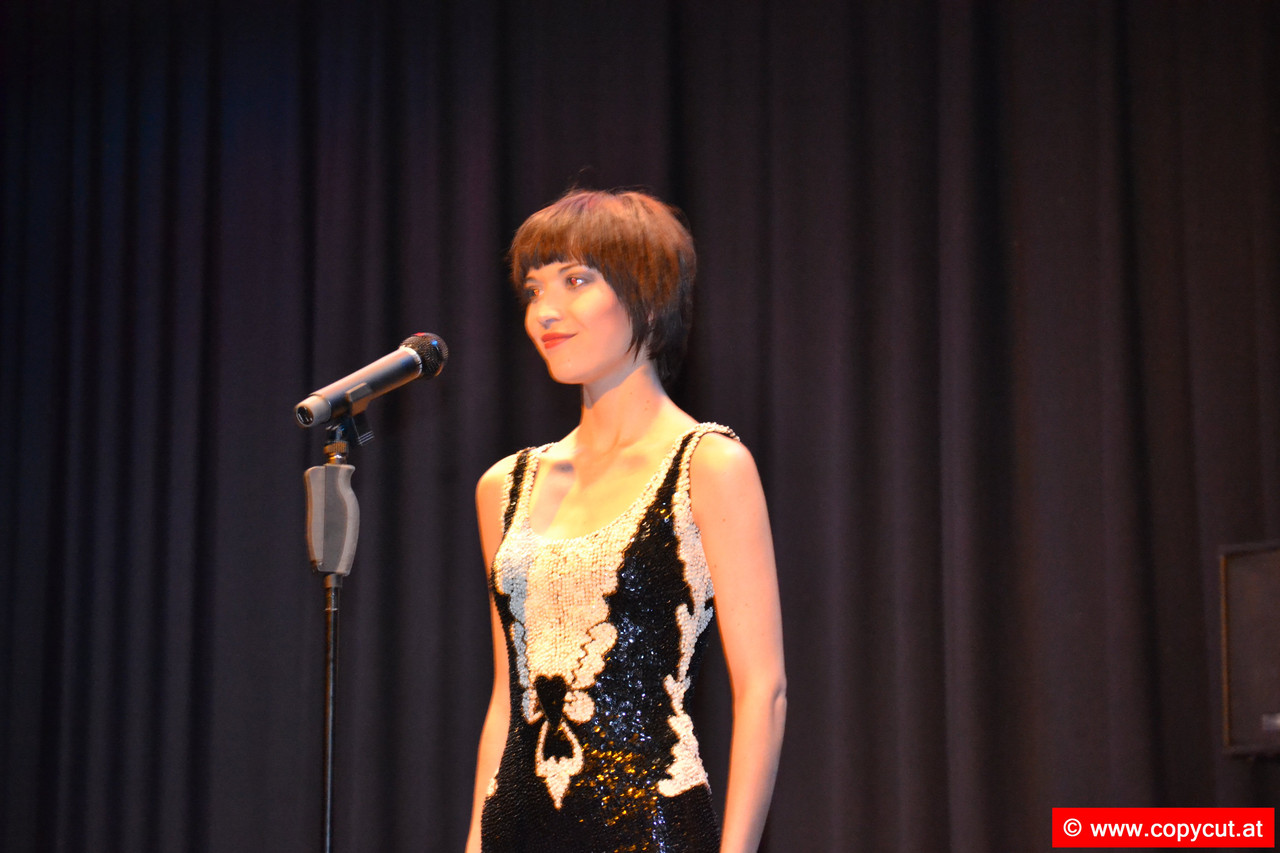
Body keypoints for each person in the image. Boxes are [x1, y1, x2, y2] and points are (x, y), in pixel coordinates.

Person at [466, 189, 786, 853]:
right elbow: (507, 695)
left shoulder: (709, 465)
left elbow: (763, 689)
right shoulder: (503, 486)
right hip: (516, 830)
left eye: (577, 280)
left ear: (649, 295)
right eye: (534, 290)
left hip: (651, 827)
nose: (545, 311)